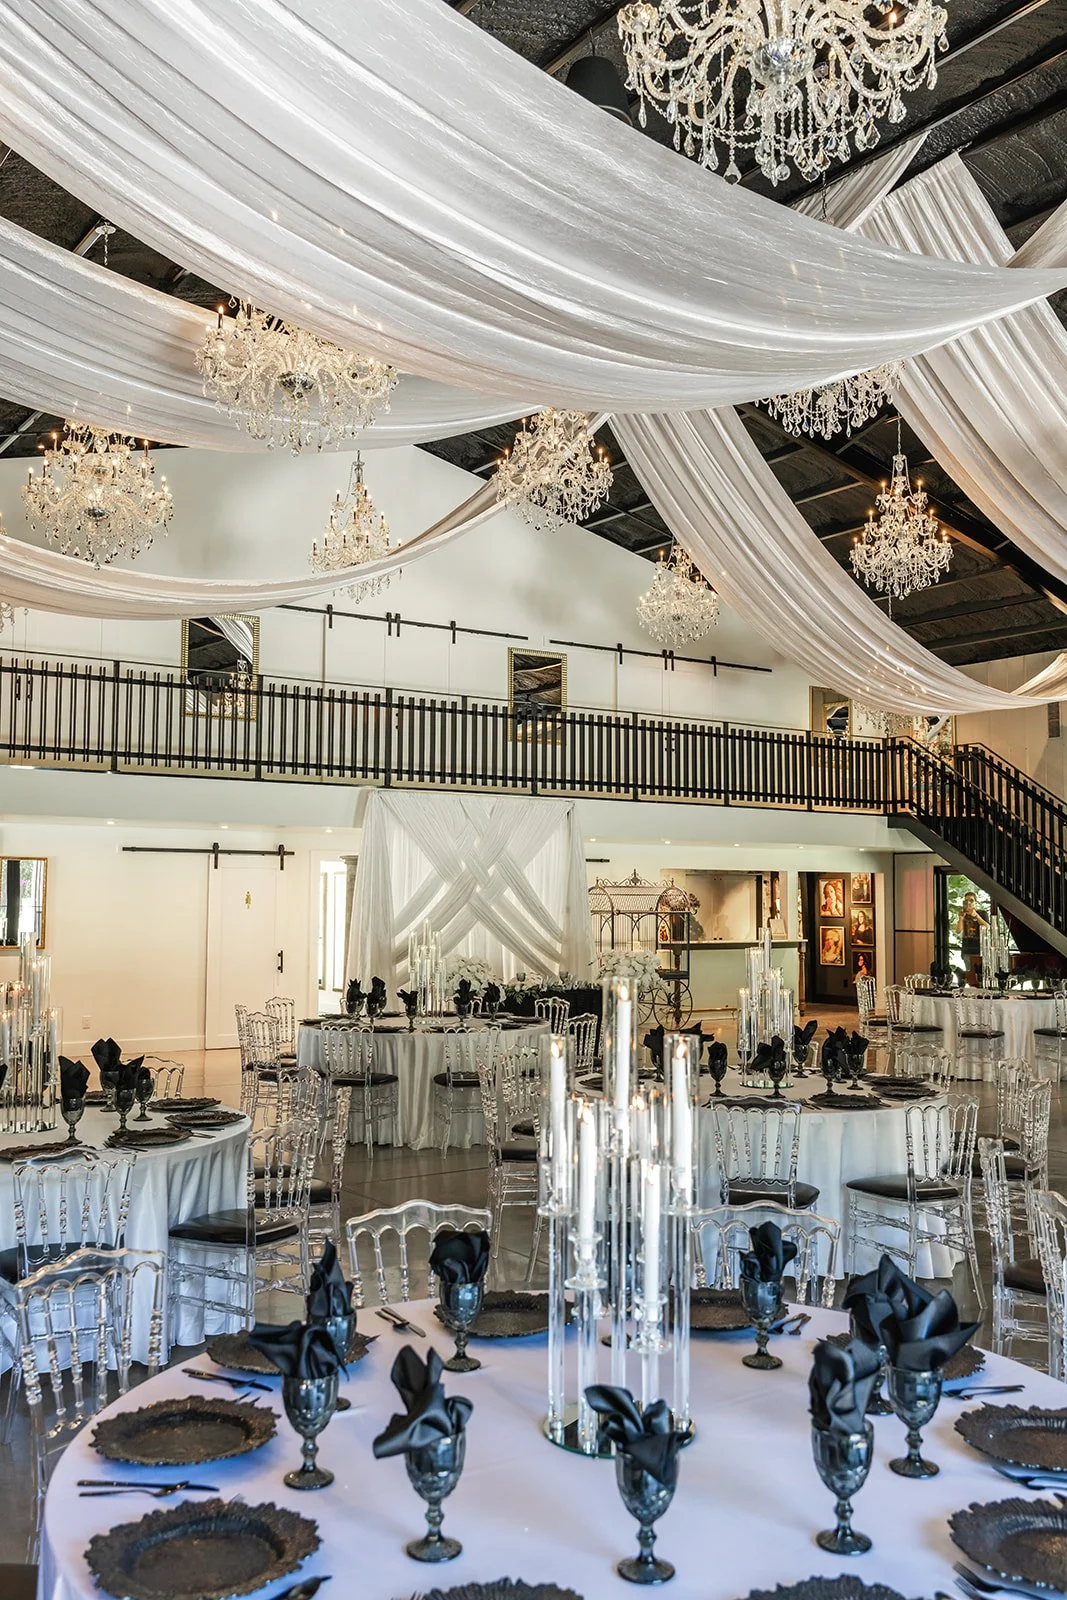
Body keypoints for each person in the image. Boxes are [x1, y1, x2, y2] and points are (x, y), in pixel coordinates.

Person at [956, 892, 988, 984]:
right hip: (967, 950)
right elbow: (958, 931)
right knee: (971, 977)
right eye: (966, 901)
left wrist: (976, 916)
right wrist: (961, 919)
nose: (969, 903)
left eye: (971, 900)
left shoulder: (982, 913)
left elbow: (987, 927)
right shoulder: (963, 914)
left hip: (980, 949)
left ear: (975, 903)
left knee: (982, 975)